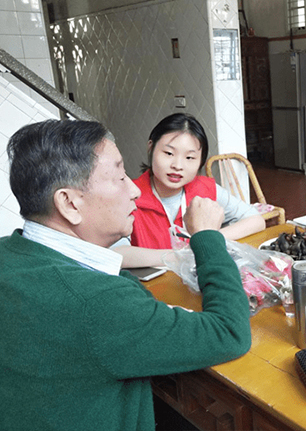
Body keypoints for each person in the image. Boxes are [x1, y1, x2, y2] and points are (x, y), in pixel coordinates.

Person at [1, 120, 252, 431]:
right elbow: (230, 333)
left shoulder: (8, 252)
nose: (134, 190)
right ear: (69, 203)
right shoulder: (98, 303)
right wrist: (206, 237)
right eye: (120, 177)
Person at [113, 113, 265, 268]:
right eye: (169, 153)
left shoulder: (206, 189)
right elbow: (116, 253)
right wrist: (179, 256)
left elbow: (256, 220)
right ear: (151, 147)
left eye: (190, 158)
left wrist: (206, 239)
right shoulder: (129, 195)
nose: (178, 166)